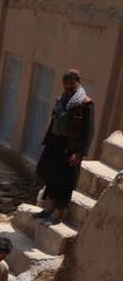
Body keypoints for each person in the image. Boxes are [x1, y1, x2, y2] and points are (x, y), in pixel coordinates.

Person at [34, 69, 95, 224]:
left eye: (71, 83)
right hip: (55, 144)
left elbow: (88, 131)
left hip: (70, 148)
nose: (68, 86)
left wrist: (79, 153)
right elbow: (55, 121)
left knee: (64, 181)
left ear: (78, 82)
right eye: (66, 83)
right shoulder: (61, 100)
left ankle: (58, 214)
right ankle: (49, 208)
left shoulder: (85, 104)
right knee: (49, 176)